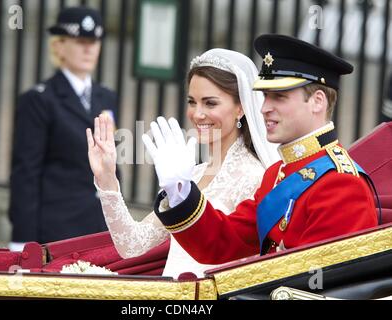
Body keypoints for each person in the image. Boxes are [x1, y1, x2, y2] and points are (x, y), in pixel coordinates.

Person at [144, 34, 378, 264]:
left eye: (279, 97)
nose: (265, 108)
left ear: (317, 101)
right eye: (265, 96)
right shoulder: (276, 173)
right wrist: (181, 192)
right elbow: (224, 242)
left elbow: (325, 285)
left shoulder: (341, 184)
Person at [87, 49, 279, 278]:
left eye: (210, 103)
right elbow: (132, 245)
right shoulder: (192, 174)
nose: (197, 114)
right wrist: (107, 179)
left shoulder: (255, 176)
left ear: (240, 108)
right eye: (192, 102)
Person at [8, 7, 118, 250]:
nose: (89, 48)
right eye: (80, 41)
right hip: (56, 231)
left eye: (94, 41)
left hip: (98, 228)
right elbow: (26, 173)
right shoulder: (39, 100)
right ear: (59, 46)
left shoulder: (106, 98)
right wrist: (22, 241)